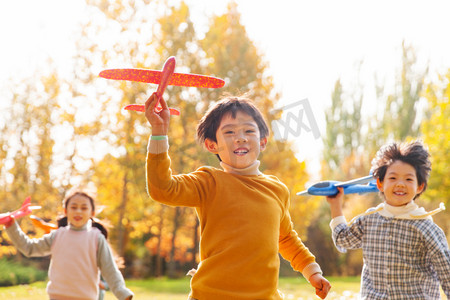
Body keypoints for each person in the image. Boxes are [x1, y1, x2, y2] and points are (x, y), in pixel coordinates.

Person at [144, 93, 331, 299]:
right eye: (230, 132)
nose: (240, 137)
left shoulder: (277, 189)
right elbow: (162, 188)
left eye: (249, 131)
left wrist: (312, 272)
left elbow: (286, 238)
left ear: (262, 142)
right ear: (212, 145)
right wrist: (159, 133)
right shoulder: (208, 181)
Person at [326, 140, 450, 299]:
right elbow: (343, 240)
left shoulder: (426, 228)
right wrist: (335, 205)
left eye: (408, 179)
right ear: (380, 183)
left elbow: (447, 274)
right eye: (393, 178)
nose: (400, 184)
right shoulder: (369, 219)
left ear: (420, 186)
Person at [3, 189, 134, 300]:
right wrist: (10, 225)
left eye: (84, 208)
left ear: (92, 213)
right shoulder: (57, 235)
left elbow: (109, 269)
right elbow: (29, 248)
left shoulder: (96, 238)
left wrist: (122, 292)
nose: (78, 211)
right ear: (65, 211)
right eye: (73, 207)